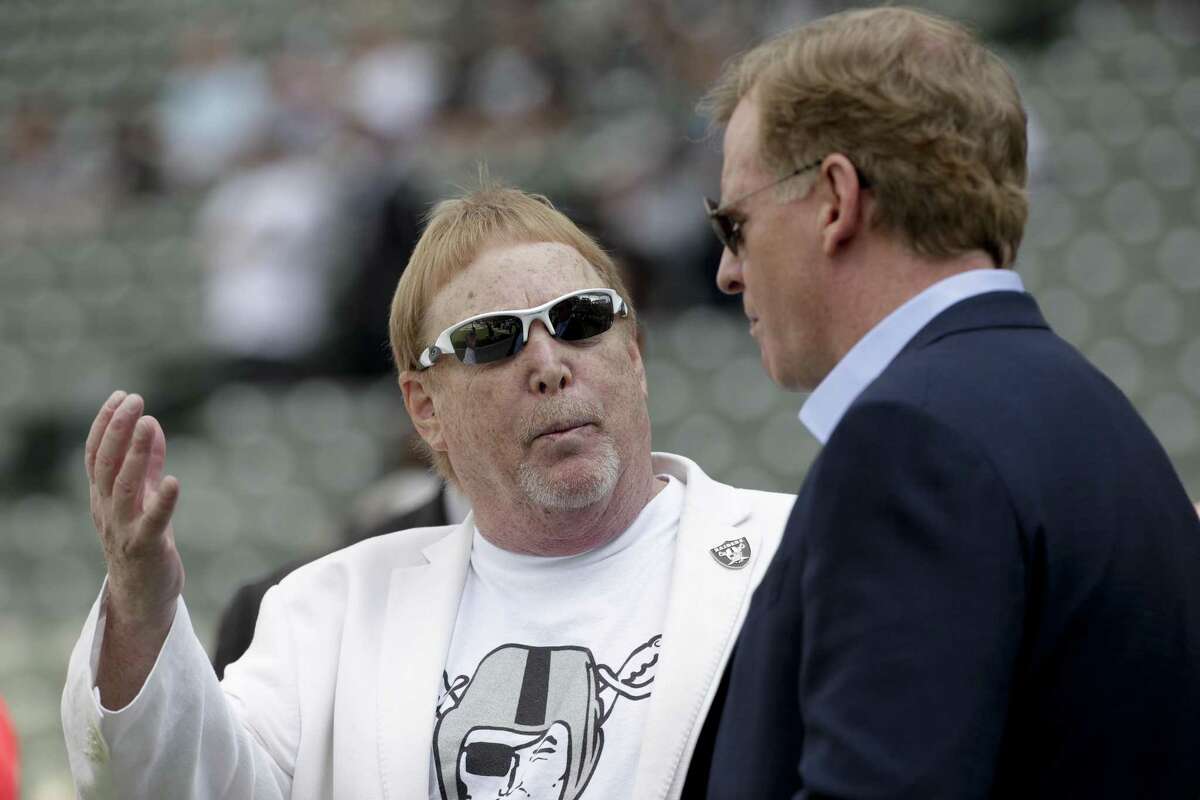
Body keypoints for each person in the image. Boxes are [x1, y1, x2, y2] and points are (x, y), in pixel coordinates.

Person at [60, 185, 795, 799]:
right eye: (491, 340)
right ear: (424, 409)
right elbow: (174, 787)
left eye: (581, 320)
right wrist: (141, 607)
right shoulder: (329, 611)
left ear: (632, 356)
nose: (548, 363)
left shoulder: (791, 555)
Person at [697, 8, 1200, 798]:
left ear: (835, 200)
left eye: (736, 224)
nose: (728, 272)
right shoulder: (1087, 410)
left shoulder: (910, 444)